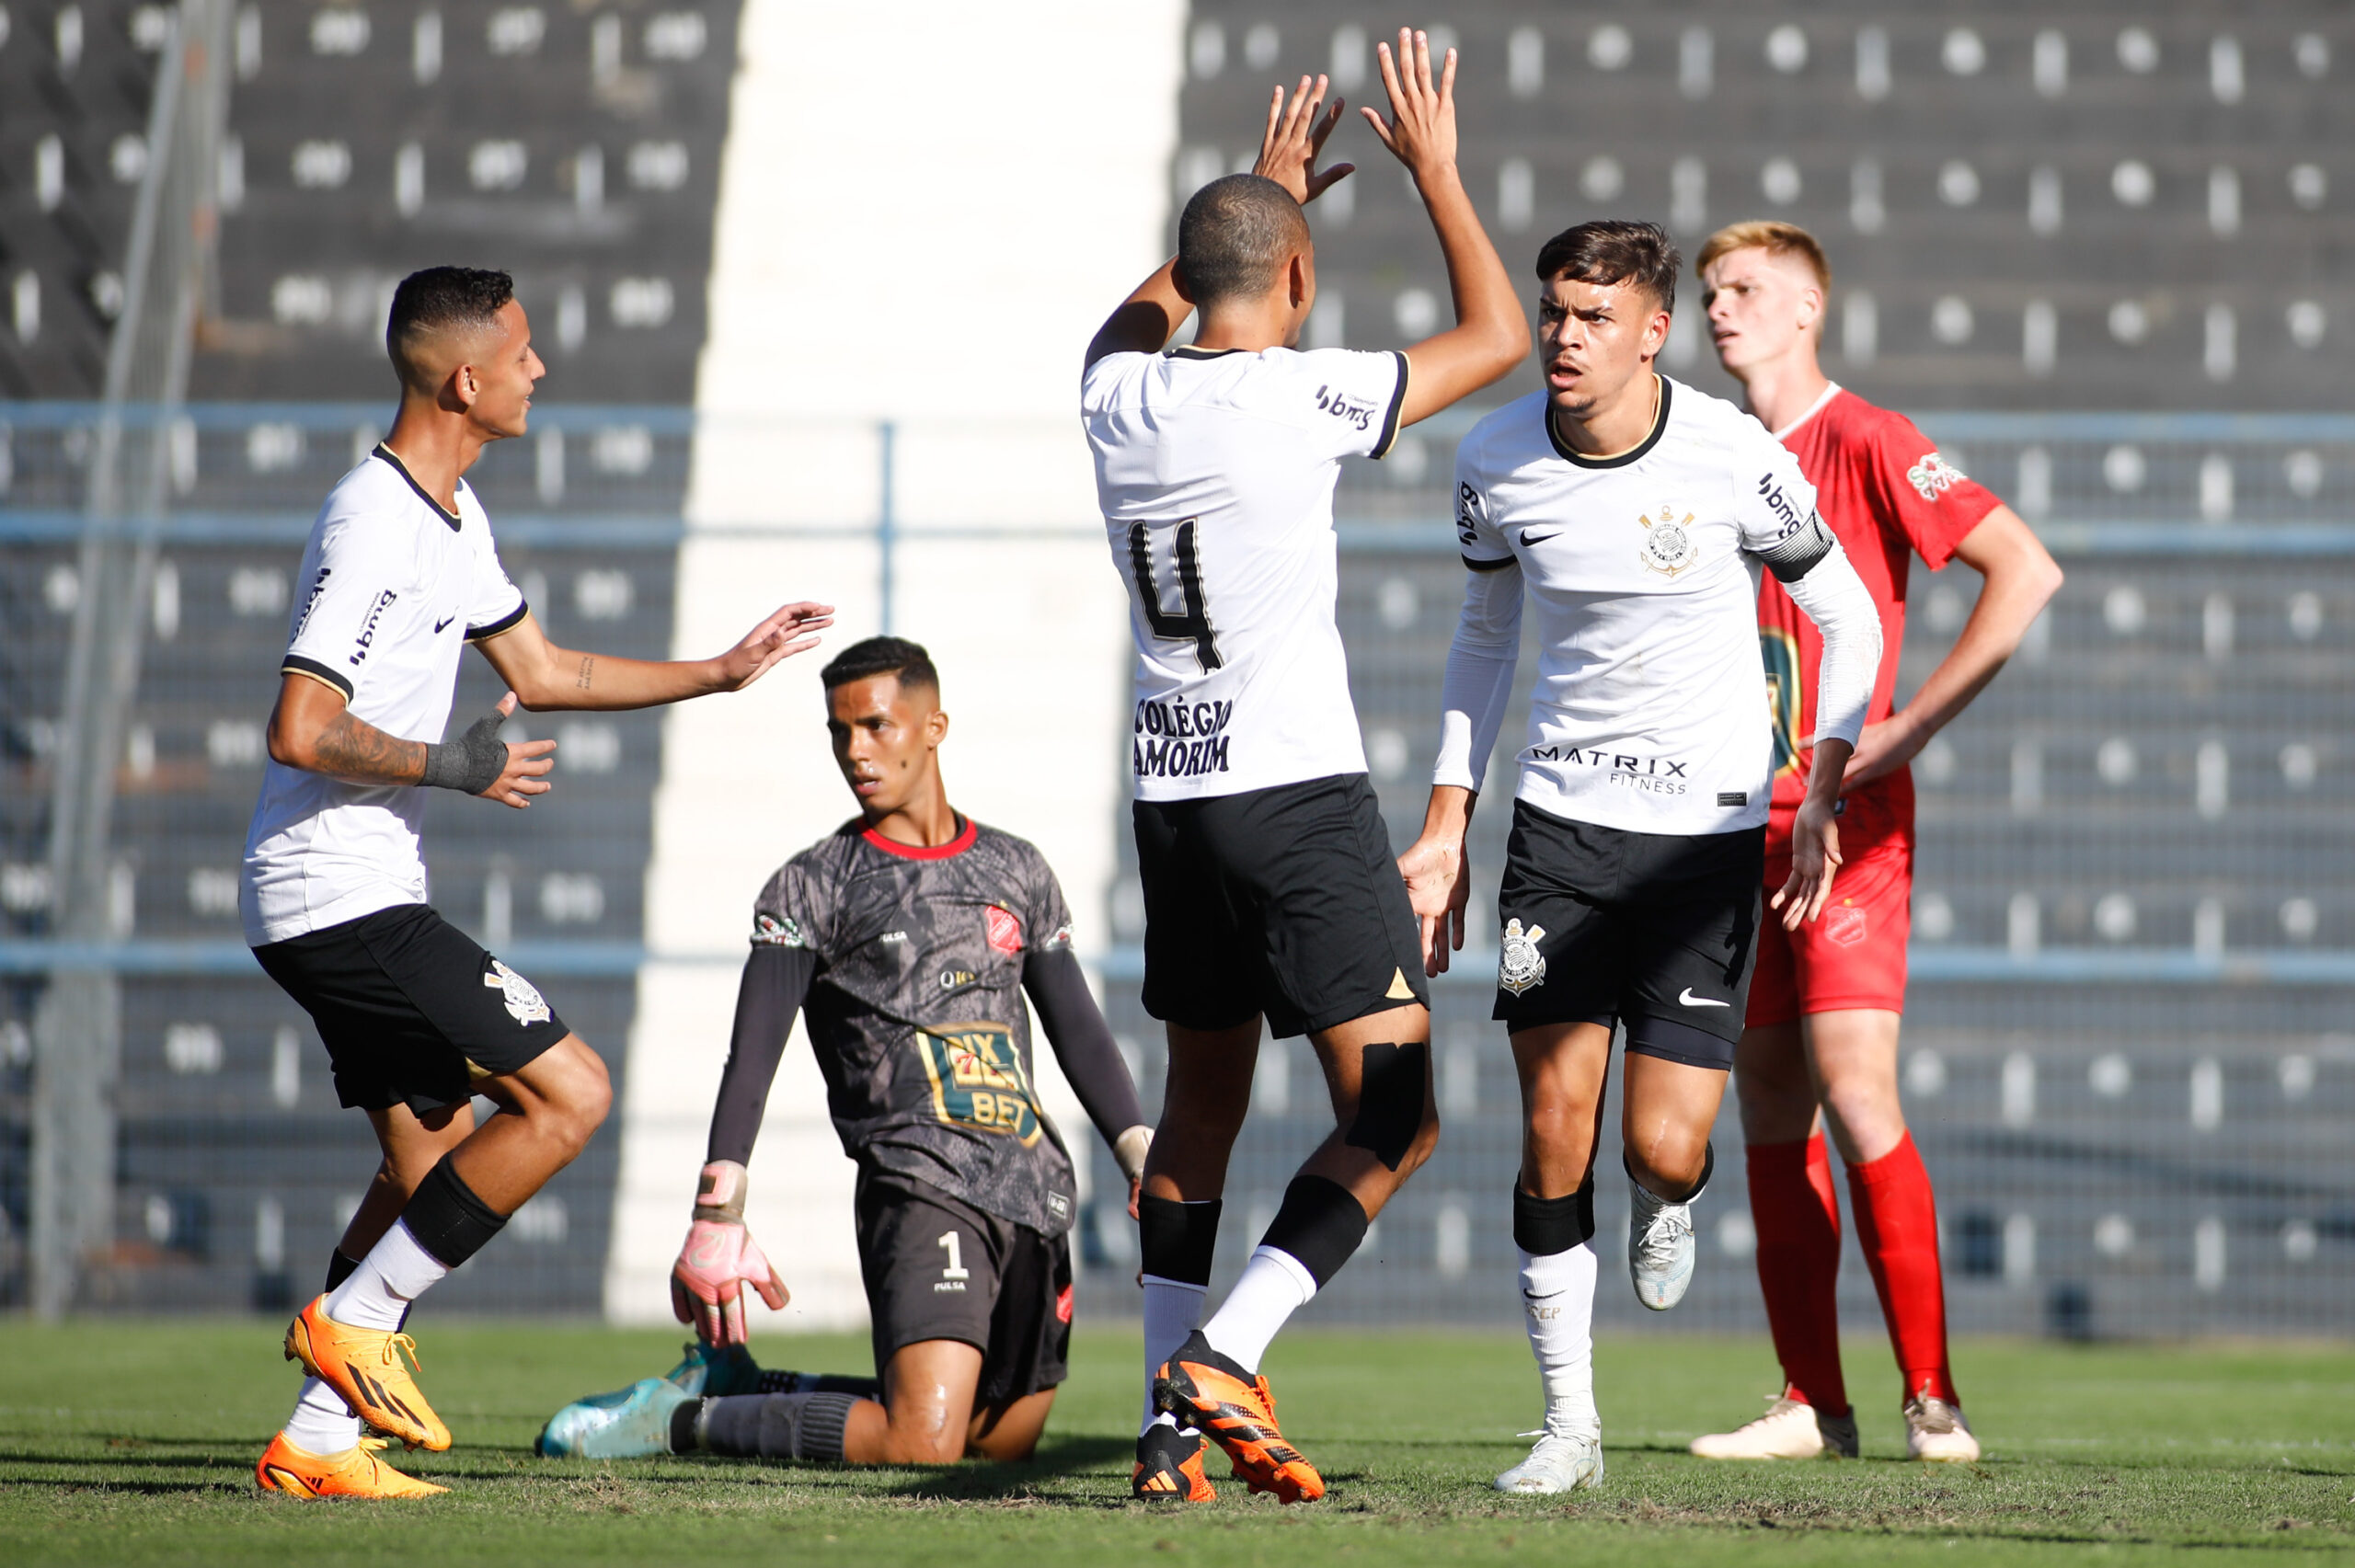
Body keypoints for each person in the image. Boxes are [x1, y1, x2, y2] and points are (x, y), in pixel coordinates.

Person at [246, 266, 833, 1499]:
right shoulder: (376, 520)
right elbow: (299, 727)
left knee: (430, 1160)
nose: (540, 370)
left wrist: (722, 672)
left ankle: (314, 1438)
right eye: (521, 353)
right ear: (466, 379)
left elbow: (549, 668)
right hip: (337, 895)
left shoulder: (452, 518)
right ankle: (353, 1323)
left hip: (344, 890)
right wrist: (451, 763)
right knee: (568, 1094)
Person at [1081, 33, 1525, 1505]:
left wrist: (1258, 196)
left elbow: (1136, 322)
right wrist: (1440, 175)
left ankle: (1159, 1434)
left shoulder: (1115, 400)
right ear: (1298, 285)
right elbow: (1497, 337)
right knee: (1396, 1108)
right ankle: (1229, 1350)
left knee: (1198, 1103)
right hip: (1293, 798)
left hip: (1173, 799)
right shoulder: (1302, 394)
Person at [1398, 220, 1884, 1495]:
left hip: (1705, 846)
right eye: (1554, 312)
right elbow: (1484, 636)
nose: (1562, 337)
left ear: (1653, 331)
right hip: (1559, 837)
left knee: (1659, 1148)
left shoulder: (1734, 458)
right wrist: (1448, 820)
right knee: (1553, 1126)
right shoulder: (1496, 455)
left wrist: (1823, 777)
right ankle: (1570, 1427)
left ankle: (1670, 1193)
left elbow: (1846, 613)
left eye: (1593, 317)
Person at [534, 636, 1154, 1471]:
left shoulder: (1019, 869)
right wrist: (719, 1210)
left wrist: (1141, 1153)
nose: (855, 751)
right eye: (839, 732)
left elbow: (1076, 1025)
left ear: (933, 726)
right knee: (924, 1441)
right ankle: (681, 1423)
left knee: (994, 1440)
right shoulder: (814, 885)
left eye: (875, 726)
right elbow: (751, 1053)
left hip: (1036, 1194)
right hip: (920, 1181)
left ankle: (738, 1387)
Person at [1684, 222, 2062, 1464]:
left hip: (1845, 830)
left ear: (1804, 311)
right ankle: (1814, 1403)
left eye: (1743, 290)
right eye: (1711, 292)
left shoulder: (1870, 438)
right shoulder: (1710, 450)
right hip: (1733, 830)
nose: (1719, 310)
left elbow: (2025, 571)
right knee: (1770, 1107)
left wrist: (1902, 729)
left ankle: (1933, 1397)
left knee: (1855, 1089)